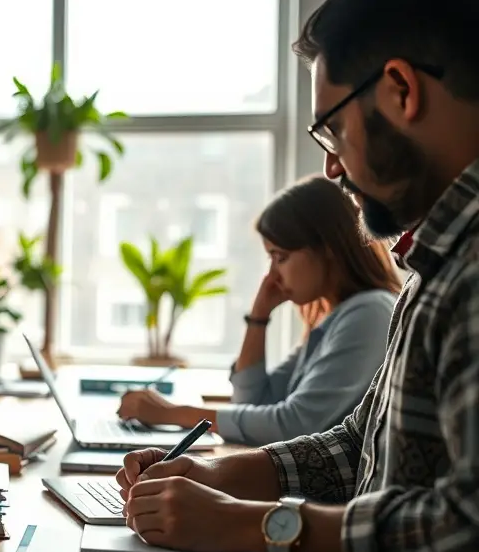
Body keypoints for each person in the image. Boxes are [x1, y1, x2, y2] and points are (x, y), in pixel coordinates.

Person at [115, 0, 479, 552]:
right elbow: (356, 449)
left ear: (400, 89)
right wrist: (222, 478)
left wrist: (257, 525)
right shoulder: (438, 262)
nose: (333, 167)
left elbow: (468, 534)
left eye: (332, 131)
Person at [117, 175, 401, 445]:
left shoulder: (369, 314)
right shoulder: (334, 320)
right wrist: (259, 317)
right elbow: (251, 402)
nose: (272, 276)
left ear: (327, 247)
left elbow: (294, 426)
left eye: (281, 257)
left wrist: (172, 414)